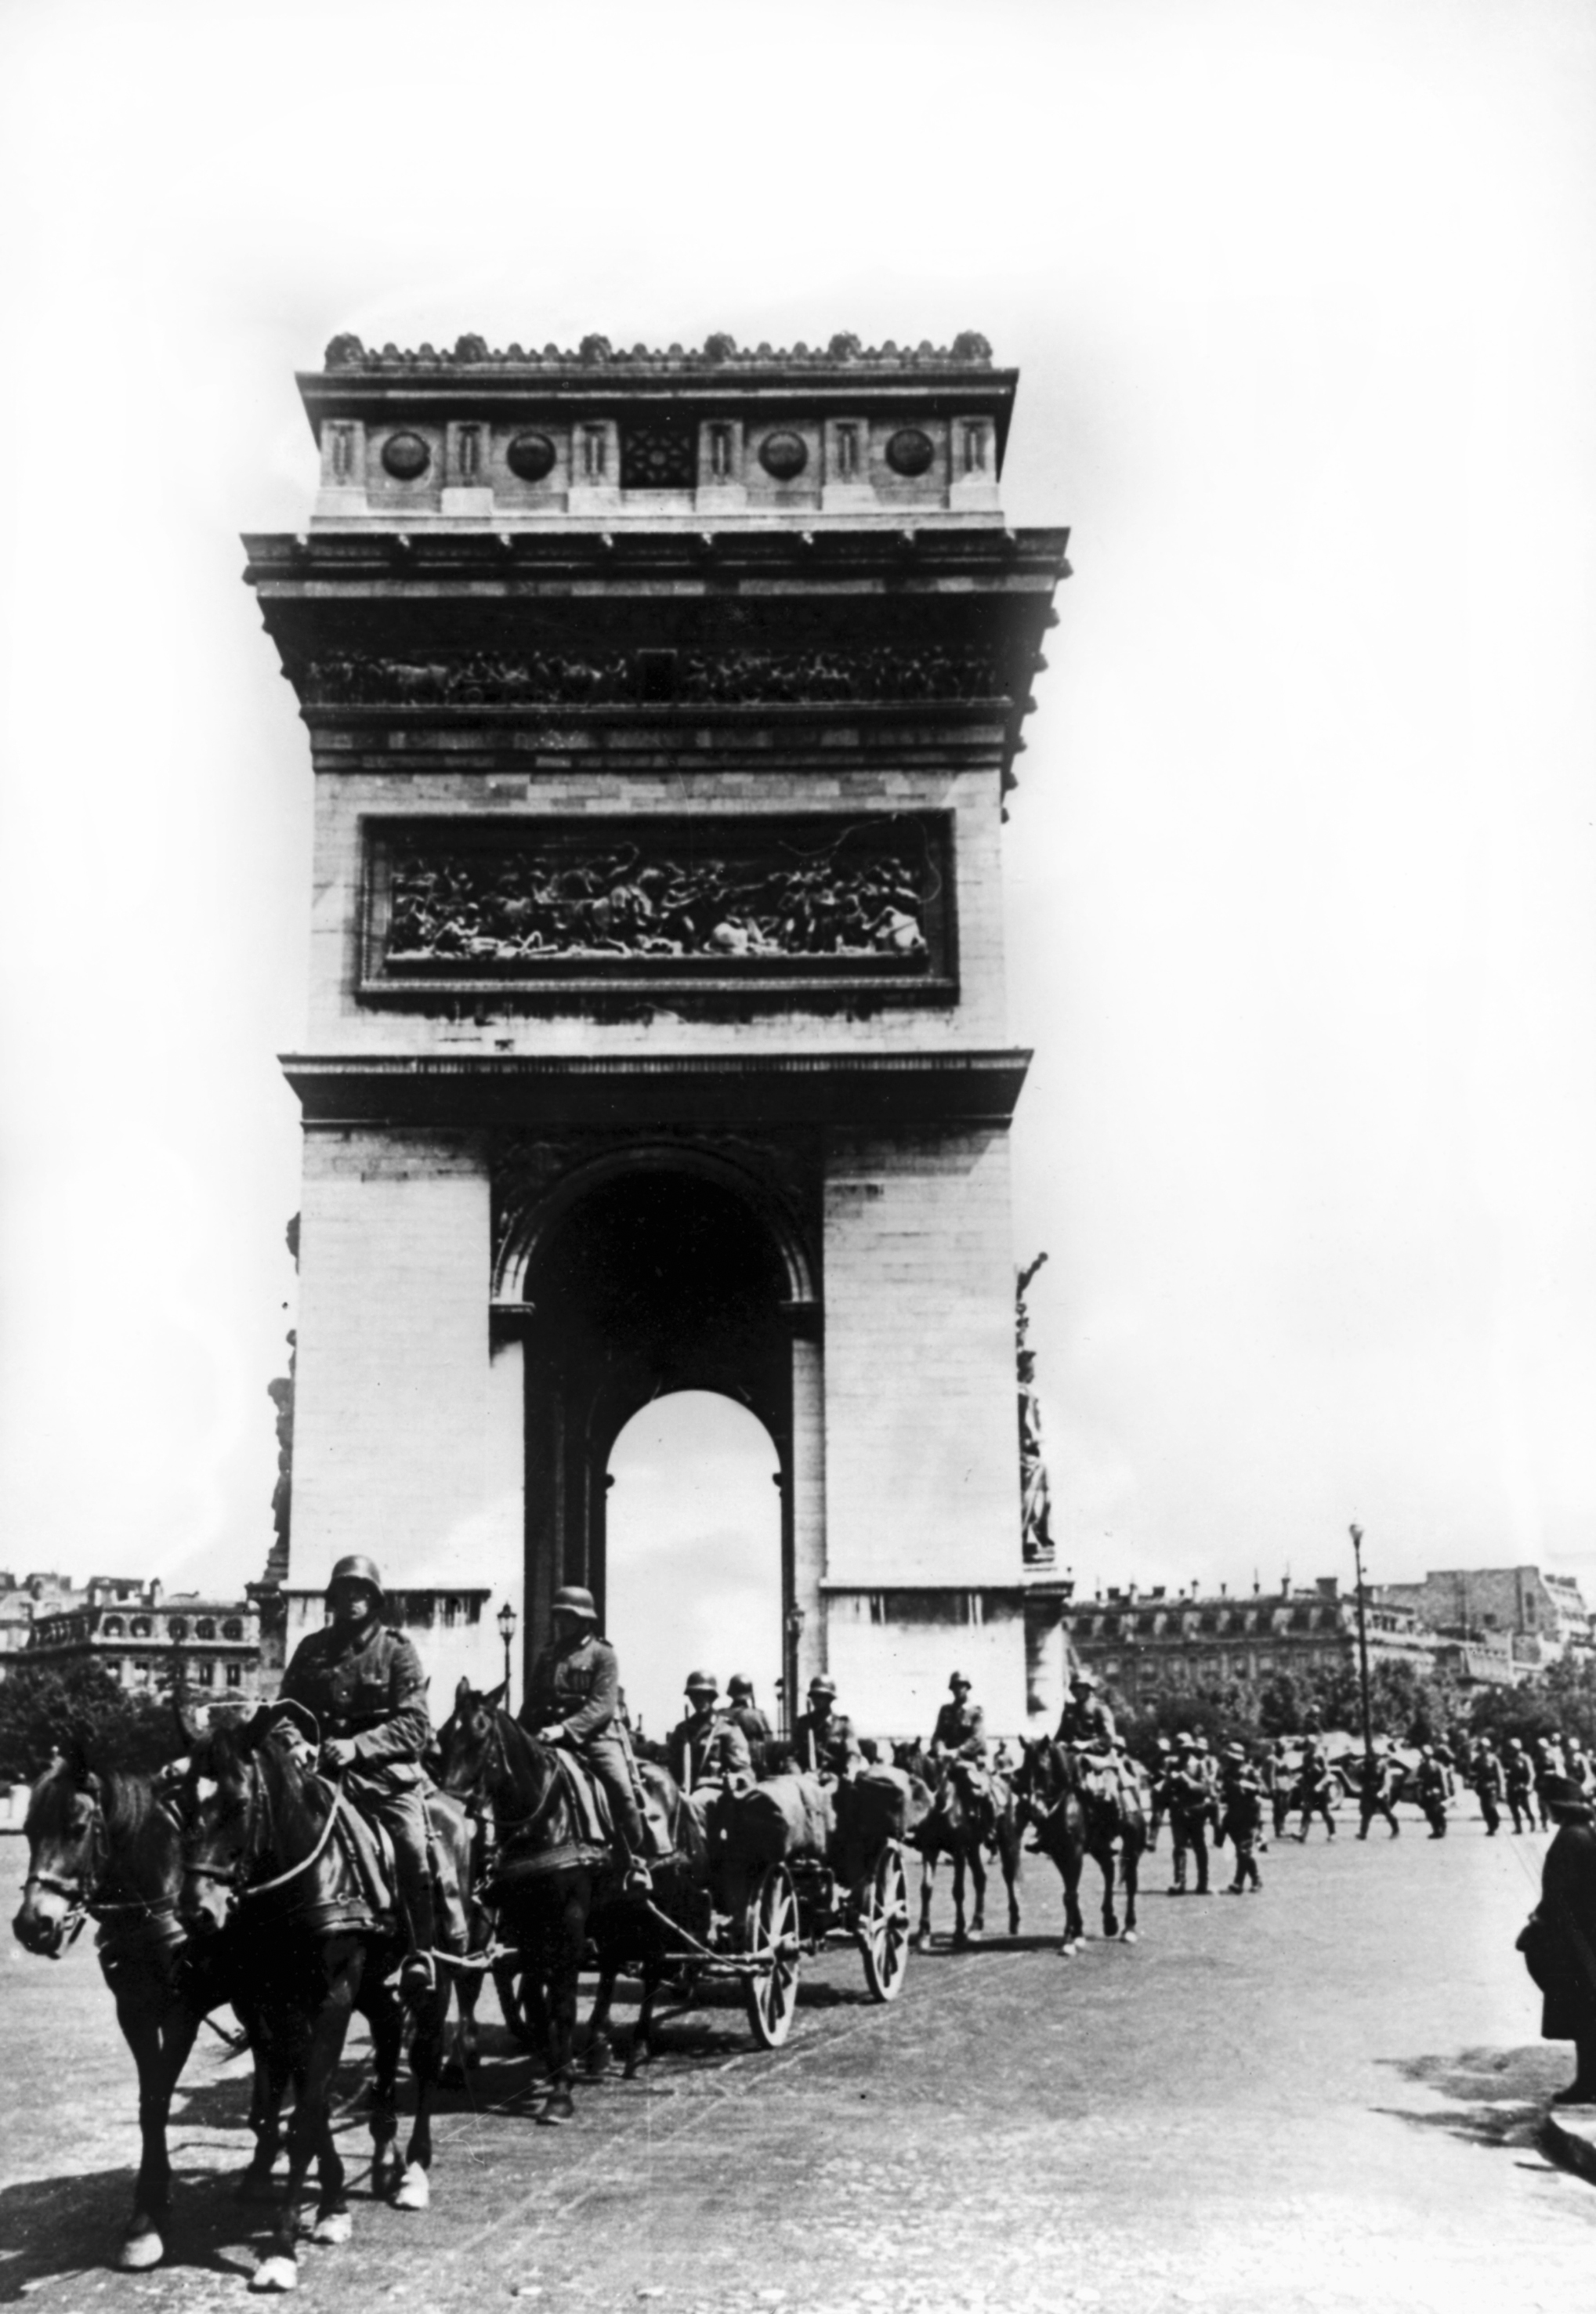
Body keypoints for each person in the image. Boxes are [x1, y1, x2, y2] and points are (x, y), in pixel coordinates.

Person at [277, 1553, 439, 1997]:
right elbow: (284, 1711)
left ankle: (418, 1952)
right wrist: (297, 1744)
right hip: (321, 1775)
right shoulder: (312, 1649)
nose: (351, 1600)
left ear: (374, 1598)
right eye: (343, 1592)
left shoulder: (396, 1649)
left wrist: (358, 1746)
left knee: (410, 1847)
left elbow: (414, 1724)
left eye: (359, 1592)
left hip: (383, 1778)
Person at [521, 1584, 651, 1892]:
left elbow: (601, 1707)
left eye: (568, 1616)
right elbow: (533, 1703)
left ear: (584, 1620)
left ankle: (635, 1860)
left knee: (621, 1790)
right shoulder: (549, 1655)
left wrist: (564, 1729)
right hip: (549, 1738)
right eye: (559, 1616)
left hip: (594, 1738)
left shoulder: (603, 1654)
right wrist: (521, 1735)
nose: (561, 1622)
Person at [1518, 1775, 1596, 2104]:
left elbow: (1562, 1894)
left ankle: (1588, 2084)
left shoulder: (1571, 1839)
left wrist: (1542, 1916)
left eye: (1545, 1803)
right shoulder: (1585, 1834)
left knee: (1584, 2014)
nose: (1543, 1808)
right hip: (1584, 1932)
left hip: (1576, 1938)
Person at [667, 1672, 753, 1795]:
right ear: (690, 1698)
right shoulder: (681, 1730)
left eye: (705, 1696)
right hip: (683, 1793)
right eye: (695, 1696)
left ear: (713, 1698)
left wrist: (735, 1779)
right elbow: (670, 1766)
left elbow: (745, 1771)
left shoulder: (726, 1729)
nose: (700, 1700)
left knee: (693, 1805)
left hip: (715, 1794)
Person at [1164, 1740, 1213, 1896]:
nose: (1185, 1752)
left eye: (1188, 1749)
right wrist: (1170, 1781)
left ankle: (1203, 1882)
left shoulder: (1199, 1765)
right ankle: (1180, 1882)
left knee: (1199, 1846)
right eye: (1182, 1749)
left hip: (1196, 1810)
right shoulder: (1172, 1765)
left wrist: (1185, 1779)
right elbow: (1164, 1789)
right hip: (1178, 1811)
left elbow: (1204, 1789)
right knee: (1179, 1847)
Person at [791, 1675, 862, 1780]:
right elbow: (792, 1756)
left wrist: (851, 1770)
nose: (816, 1700)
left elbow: (853, 1753)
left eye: (821, 1696)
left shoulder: (843, 1724)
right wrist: (798, 1776)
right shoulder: (803, 1724)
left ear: (830, 1698)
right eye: (814, 1696)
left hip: (836, 1779)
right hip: (808, 1778)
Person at [1219, 1744, 1263, 1894]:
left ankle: (1241, 1882)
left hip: (1249, 1814)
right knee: (1242, 1851)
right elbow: (1225, 1793)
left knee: (1243, 1850)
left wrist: (1248, 1785)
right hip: (1234, 1815)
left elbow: (1263, 1789)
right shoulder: (1227, 1773)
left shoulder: (1250, 1771)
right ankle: (1255, 1879)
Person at [929, 1673, 988, 1766]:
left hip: (969, 1759)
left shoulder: (976, 1711)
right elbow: (938, 1735)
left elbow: (976, 1739)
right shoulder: (945, 1710)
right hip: (946, 1758)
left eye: (961, 1686)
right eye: (955, 1687)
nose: (958, 1690)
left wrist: (957, 1752)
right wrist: (940, 1748)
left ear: (967, 1688)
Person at [724, 1675, 773, 1769]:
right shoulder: (758, 1714)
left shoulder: (722, 1714)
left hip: (728, 1763)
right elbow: (768, 1742)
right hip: (754, 1764)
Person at [1294, 1743, 1337, 1841]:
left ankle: (1332, 1832)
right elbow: (1304, 1770)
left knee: (1325, 1812)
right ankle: (1302, 1833)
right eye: (1309, 1746)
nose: (1311, 1748)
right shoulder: (1306, 1757)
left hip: (1320, 1790)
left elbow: (1327, 1773)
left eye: (1313, 1746)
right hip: (1309, 1788)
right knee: (1306, 1810)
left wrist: (1320, 1785)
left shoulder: (1320, 1757)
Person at [1471, 1738, 1504, 1838]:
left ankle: (1495, 1821)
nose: (1482, 1749)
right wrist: (1473, 1780)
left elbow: (1500, 1775)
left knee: (1491, 1807)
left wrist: (1502, 1788)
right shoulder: (1477, 1760)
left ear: (1488, 1748)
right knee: (1484, 1809)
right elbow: (1473, 1772)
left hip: (1492, 1785)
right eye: (1480, 1747)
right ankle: (1491, 1827)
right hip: (1482, 1786)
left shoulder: (1494, 1759)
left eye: (1484, 1747)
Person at [1416, 1746, 1449, 1838]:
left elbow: (1443, 1780)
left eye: (1427, 1754)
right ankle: (1435, 1830)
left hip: (1436, 1790)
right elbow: (1419, 1780)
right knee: (1428, 1813)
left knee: (1436, 1811)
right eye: (1424, 1754)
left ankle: (1441, 1828)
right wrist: (1419, 1793)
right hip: (1426, 1791)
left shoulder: (1437, 1765)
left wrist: (1445, 1792)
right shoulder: (1422, 1766)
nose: (1426, 1756)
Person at [1505, 1736, 1536, 1835]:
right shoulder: (1508, 1759)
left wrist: (1530, 1785)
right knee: (1513, 1808)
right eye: (1509, 1748)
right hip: (1512, 1785)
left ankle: (1532, 1820)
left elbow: (1531, 1773)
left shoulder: (1525, 1758)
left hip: (1522, 1786)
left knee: (1525, 1807)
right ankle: (1518, 1827)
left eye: (1512, 1748)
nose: (1511, 1750)